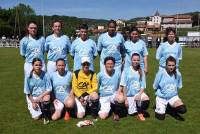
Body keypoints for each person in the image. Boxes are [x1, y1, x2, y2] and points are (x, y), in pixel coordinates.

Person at [153, 56, 187, 120]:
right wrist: (160, 94)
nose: (171, 67)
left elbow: (178, 87)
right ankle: (163, 106)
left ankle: (170, 106)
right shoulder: (160, 73)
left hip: (173, 97)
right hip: (161, 98)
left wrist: (175, 96)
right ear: (166, 65)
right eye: (169, 65)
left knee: (183, 109)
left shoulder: (178, 74)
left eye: (173, 65)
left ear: (175, 65)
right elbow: (155, 86)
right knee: (160, 118)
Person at [120, 53, 150, 121]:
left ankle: (140, 111)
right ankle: (135, 106)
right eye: (134, 60)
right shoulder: (126, 70)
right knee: (131, 113)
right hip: (129, 95)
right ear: (131, 60)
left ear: (139, 61)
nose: (136, 61)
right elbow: (124, 86)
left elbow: (143, 85)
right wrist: (125, 99)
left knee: (146, 100)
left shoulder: (141, 71)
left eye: (138, 60)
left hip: (138, 93)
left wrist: (139, 94)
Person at [24, 58, 52, 124]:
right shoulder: (28, 76)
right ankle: (39, 107)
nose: (38, 67)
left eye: (40, 65)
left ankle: (46, 113)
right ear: (33, 65)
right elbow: (27, 92)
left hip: (42, 95)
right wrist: (33, 102)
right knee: (36, 117)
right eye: (36, 65)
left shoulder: (46, 74)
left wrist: (40, 97)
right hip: (32, 97)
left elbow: (49, 89)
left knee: (47, 98)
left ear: (42, 66)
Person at [97, 56, 125, 121]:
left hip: (113, 95)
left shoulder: (118, 74)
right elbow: (96, 87)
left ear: (114, 65)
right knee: (103, 116)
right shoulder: (100, 75)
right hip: (104, 97)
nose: (110, 65)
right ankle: (107, 107)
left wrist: (119, 93)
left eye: (111, 64)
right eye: (108, 64)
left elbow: (120, 86)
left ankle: (116, 113)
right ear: (104, 65)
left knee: (120, 98)